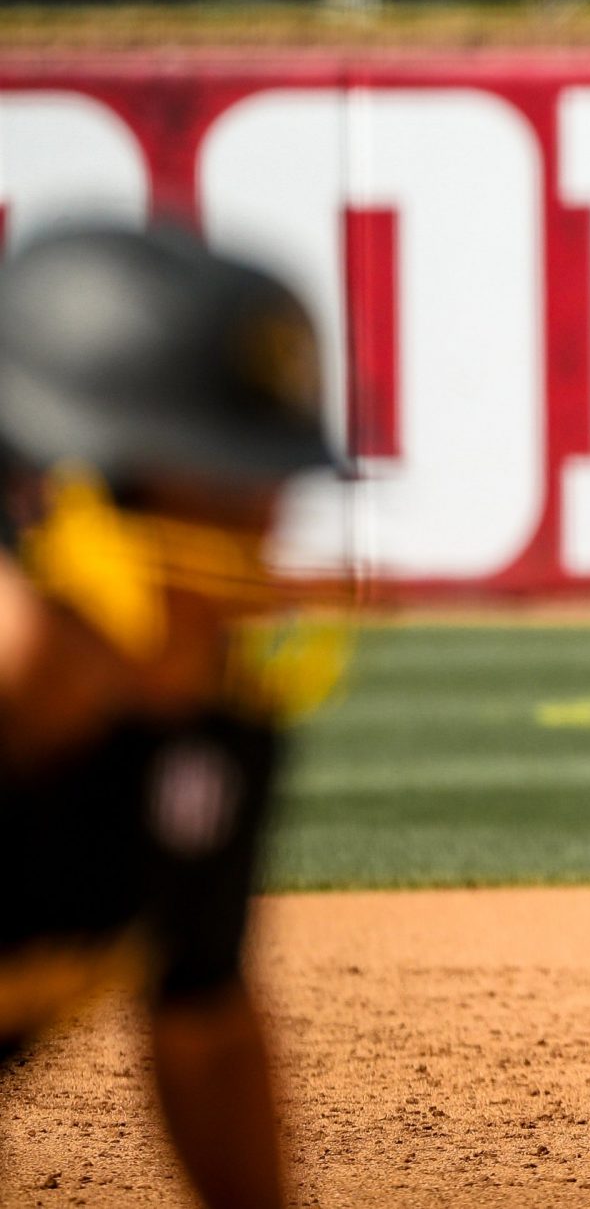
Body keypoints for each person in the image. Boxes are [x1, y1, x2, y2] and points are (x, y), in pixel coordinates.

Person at [0, 225, 341, 1209]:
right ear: (51, 495)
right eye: (226, 491)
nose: (264, 546)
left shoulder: (198, 731)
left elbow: (204, 1022)